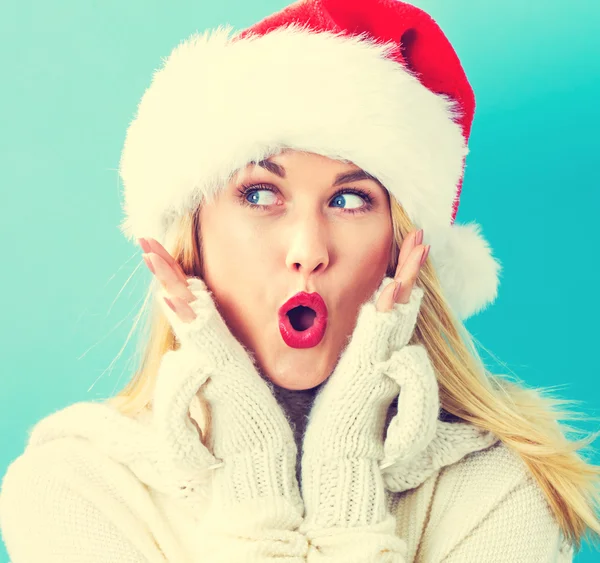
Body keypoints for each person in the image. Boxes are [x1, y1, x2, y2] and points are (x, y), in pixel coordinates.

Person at [1, 0, 598, 561]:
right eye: (260, 194)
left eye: (350, 199)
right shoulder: (75, 484)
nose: (309, 252)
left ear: (399, 246)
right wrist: (253, 461)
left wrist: (345, 468)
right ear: (194, 239)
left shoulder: (503, 486)